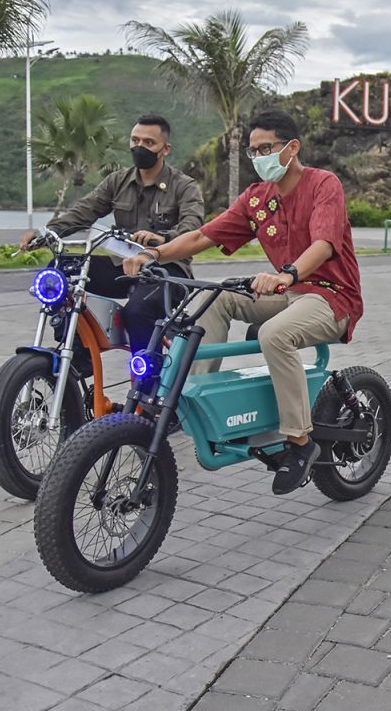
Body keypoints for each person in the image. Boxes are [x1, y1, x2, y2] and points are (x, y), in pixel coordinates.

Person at [122, 110, 363, 496]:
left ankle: (300, 443)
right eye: (253, 151)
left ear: (291, 148)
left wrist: (287, 274)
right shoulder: (257, 199)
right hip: (288, 294)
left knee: (274, 335)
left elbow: (324, 244)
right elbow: (203, 236)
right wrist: (155, 256)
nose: (259, 157)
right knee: (213, 299)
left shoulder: (323, 185)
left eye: (265, 148)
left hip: (331, 296)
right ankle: (193, 402)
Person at [19, 114, 204, 355]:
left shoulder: (184, 186)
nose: (140, 147)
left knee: (138, 312)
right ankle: (75, 349)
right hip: (124, 266)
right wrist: (46, 233)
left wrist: (163, 238)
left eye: (149, 143)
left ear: (165, 149)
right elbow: (84, 211)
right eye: (135, 140)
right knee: (58, 270)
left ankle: (146, 378)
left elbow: (193, 225)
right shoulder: (118, 181)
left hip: (168, 270)